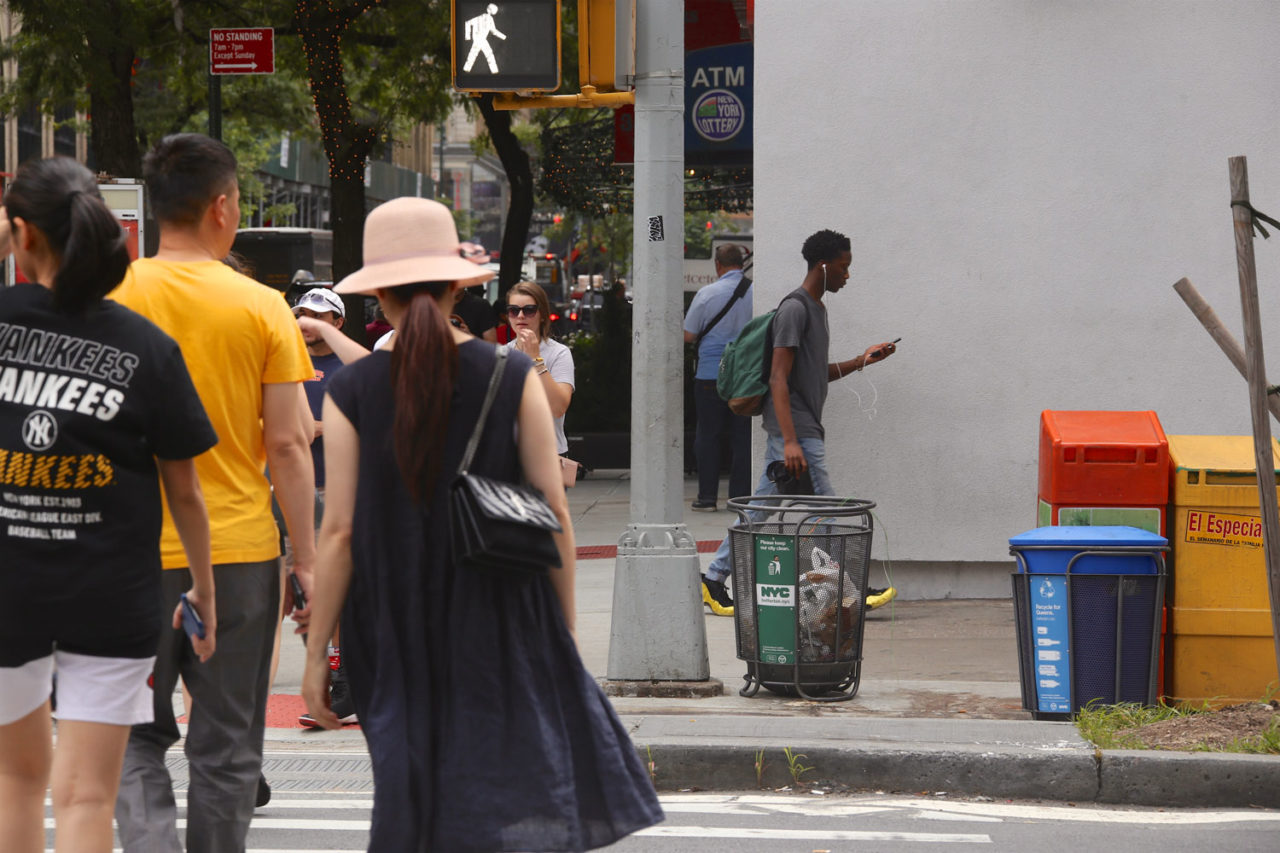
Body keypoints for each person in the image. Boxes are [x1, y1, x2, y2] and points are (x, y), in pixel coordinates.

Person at [300, 197, 663, 850]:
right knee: (497, 791)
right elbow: (553, 512)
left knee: (412, 797)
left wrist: (314, 655)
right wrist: (565, 630)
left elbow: (341, 532)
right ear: (457, 285)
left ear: (378, 295)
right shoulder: (511, 372)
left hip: (389, 624)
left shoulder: (352, 390)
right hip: (498, 611)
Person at [0, 157, 217, 852]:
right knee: (88, 793)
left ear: (22, 234)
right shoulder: (146, 347)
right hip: (111, 591)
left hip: (9, 585)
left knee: (13, 779)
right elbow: (184, 489)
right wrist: (202, 589)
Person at [110, 133, 316, 853]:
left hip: (125, 557)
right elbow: (289, 445)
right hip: (235, 554)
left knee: (132, 737)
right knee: (227, 745)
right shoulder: (262, 308)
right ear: (223, 207)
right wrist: (308, 558)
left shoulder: (110, 299)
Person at [700, 229, 899, 617]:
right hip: (796, 432)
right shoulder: (794, 309)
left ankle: (713, 578)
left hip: (800, 429)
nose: (847, 275)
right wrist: (789, 440)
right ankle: (844, 591)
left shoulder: (817, 310)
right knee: (827, 509)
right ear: (823, 265)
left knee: (759, 510)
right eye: (844, 267)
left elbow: (812, 374)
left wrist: (861, 360)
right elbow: (778, 377)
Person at [291, 287, 359, 728]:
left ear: (337, 323)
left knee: (331, 594)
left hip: (335, 492)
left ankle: (339, 686)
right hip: (287, 492)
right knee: (290, 597)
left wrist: (315, 427)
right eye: (300, 316)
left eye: (317, 318)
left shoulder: (348, 371)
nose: (306, 326)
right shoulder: (284, 362)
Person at [683, 244, 753, 512]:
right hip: (745, 376)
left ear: (717, 265)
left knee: (708, 436)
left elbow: (689, 335)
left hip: (710, 375)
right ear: (741, 264)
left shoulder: (706, 294)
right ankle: (740, 500)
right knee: (742, 438)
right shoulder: (755, 292)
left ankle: (707, 498)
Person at [505, 280, 575, 457]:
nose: (520, 316)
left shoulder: (559, 353)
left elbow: (558, 408)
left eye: (529, 310)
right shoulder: (501, 353)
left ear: (542, 314)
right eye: (513, 310)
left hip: (549, 456)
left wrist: (536, 360)